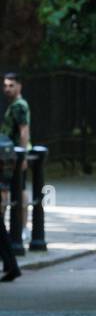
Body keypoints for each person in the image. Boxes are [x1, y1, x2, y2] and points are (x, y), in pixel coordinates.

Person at [2, 72, 31, 279]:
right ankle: (12, 263)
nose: (7, 89)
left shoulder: (19, 106)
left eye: (11, 85)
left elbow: (23, 131)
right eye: (5, 86)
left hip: (10, 157)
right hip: (9, 156)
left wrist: (22, 155)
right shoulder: (16, 105)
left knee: (18, 192)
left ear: (19, 86)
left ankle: (21, 230)